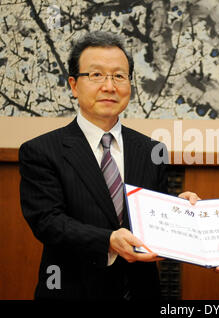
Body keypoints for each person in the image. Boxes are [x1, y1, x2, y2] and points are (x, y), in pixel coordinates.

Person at [19, 31, 198, 300]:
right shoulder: (42, 151)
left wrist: (179, 208)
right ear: (74, 85)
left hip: (140, 291)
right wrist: (108, 240)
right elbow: (48, 222)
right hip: (72, 291)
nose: (109, 86)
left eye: (119, 76)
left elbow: (152, 213)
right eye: (96, 75)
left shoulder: (152, 150)